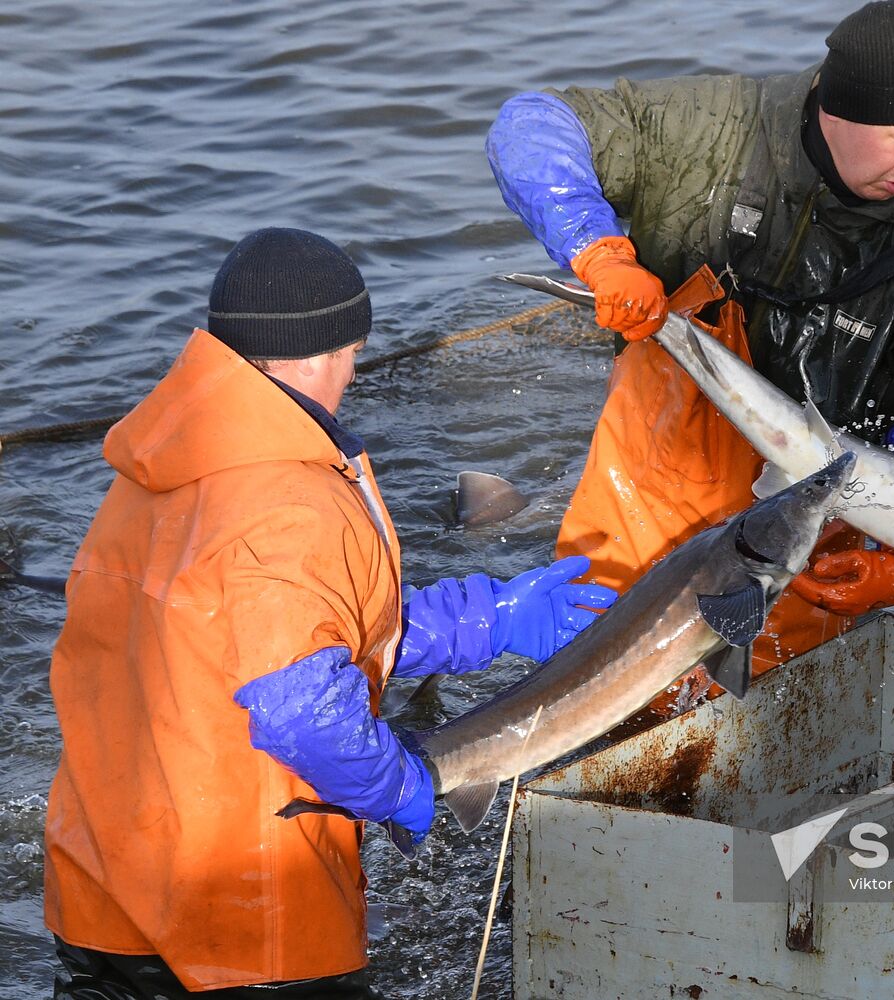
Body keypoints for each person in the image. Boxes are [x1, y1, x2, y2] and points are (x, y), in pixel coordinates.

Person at [42, 228, 617, 997]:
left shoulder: (156, 466)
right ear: (314, 352)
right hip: (239, 919)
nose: (352, 369)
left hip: (102, 887)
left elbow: (245, 634)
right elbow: (301, 711)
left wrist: (482, 619)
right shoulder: (287, 498)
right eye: (350, 348)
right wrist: (400, 786)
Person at [486, 0, 894, 706]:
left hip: (799, 526)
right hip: (649, 489)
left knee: (789, 712)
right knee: (592, 694)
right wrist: (597, 252)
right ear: (833, 108)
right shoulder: (709, 131)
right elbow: (531, 124)